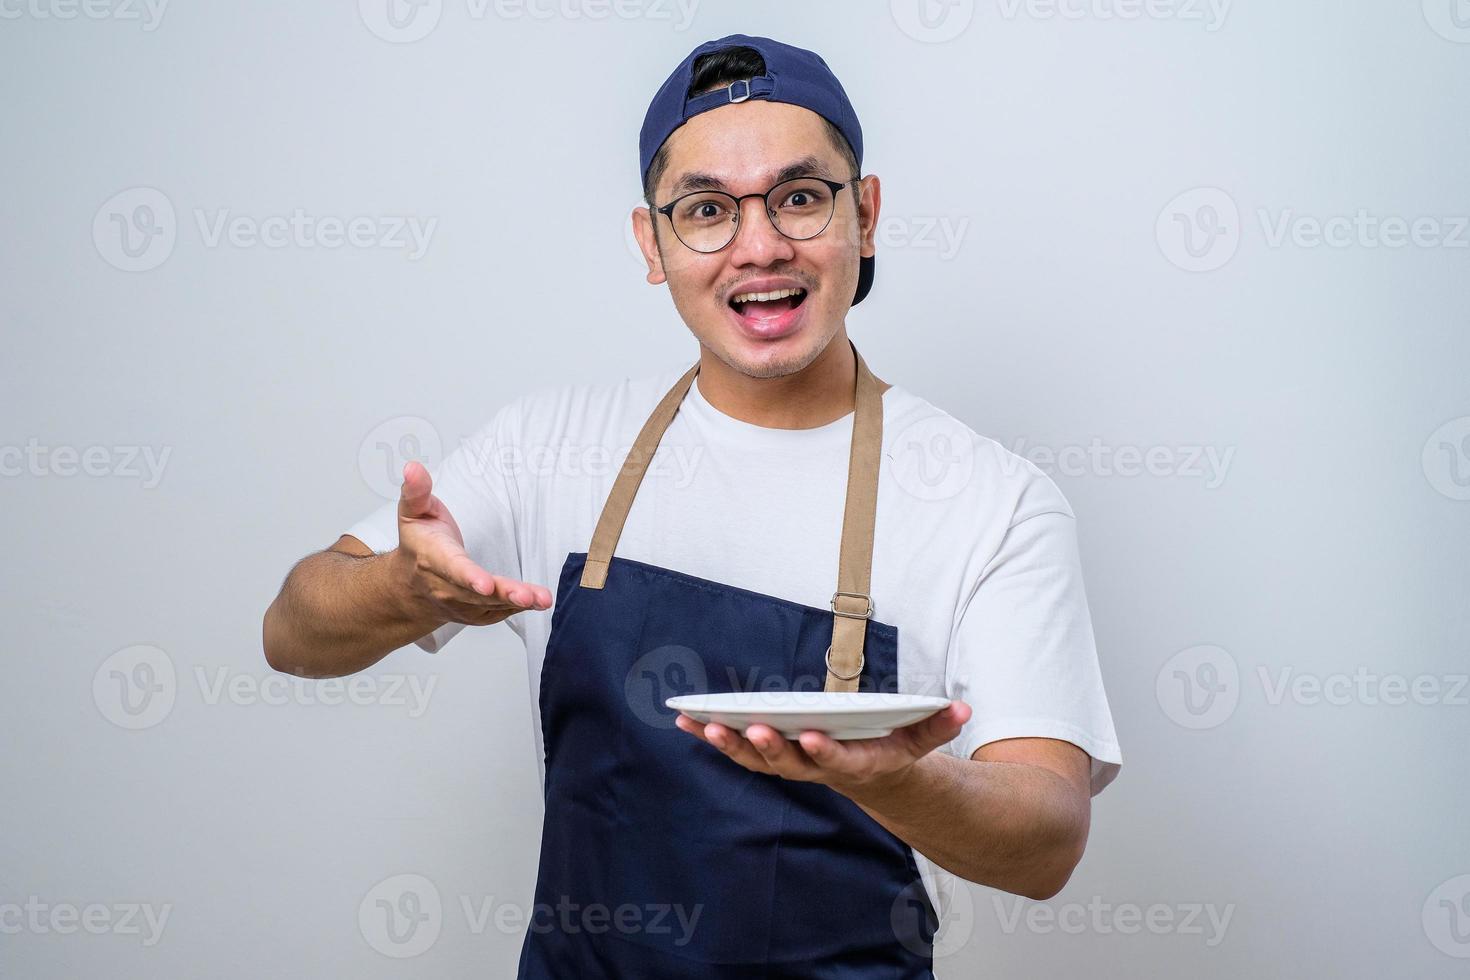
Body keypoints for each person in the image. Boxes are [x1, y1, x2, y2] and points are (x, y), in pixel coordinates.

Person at [262, 32, 1123, 978]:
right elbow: (292, 634)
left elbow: (1047, 840)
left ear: (865, 215)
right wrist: (402, 587)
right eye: (706, 209)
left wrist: (899, 778)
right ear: (653, 243)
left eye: (800, 198)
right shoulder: (549, 447)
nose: (759, 246)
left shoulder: (991, 503)